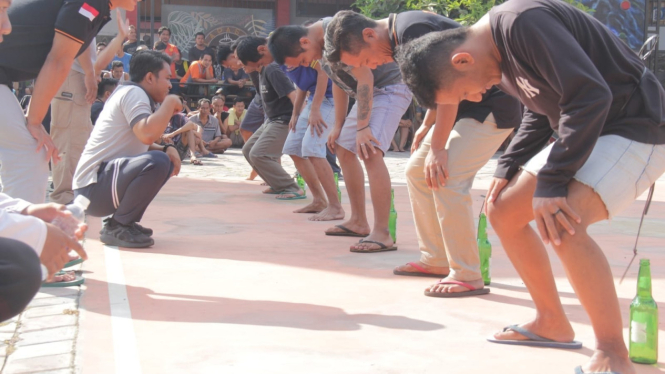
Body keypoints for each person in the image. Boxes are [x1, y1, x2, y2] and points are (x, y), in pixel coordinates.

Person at [396, 0, 665, 372]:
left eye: (462, 95)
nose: (475, 98)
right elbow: (541, 109)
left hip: (635, 125)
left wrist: (552, 182)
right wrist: (506, 167)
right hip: (593, 128)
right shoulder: (499, 56)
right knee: (502, 210)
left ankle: (613, 354)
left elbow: (590, 95)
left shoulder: (522, 23)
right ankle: (551, 322)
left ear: (461, 61)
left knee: (560, 218)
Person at [325, 10, 522, 288]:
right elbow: (438, 88)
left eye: (366, 60)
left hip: (490, 106)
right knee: (418, 171)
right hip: (460, 108)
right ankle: (436, 258)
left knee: (447, 177)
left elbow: (448, 82)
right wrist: (427, 125)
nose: (373, 65)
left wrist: (438, 147)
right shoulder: (399, 34)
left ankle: (467, 273)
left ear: (369, 35)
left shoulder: (412, 29)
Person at [269, 20, 412, 252]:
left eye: (304, 61)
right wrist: (338, 124)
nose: (307, 65)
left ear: (304, 42)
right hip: (367, 92)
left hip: (389, 87)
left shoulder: (336, 33)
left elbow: (365, 78)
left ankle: (382, 233)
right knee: (344, 149)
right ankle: (358, 221)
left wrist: (363, 127)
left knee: (370, 150)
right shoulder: (320, 47)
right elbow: (339, 82)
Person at [0, 0, 137, 204]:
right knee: (31, 153)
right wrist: (35, 122)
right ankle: (19, 229)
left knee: (31, 153)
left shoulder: (96, 7)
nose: (6, 26)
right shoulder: (91, 2)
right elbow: (59, 59)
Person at [73, 50, 183, 248]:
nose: (169, 85)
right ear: (150, 77)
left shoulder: (129, 92)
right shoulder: (135, 93)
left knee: (162, 159)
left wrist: (167, 148)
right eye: (167, 78)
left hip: (96, 186)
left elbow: (140, 139)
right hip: (93, 187)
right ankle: (118, 226)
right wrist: (169, 104)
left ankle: (125, 221)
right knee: (158, 162)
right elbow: (146, 134)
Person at [51, 20, 133, 206]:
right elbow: (77, 38)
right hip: (71, 76)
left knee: (81, 139)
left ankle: (73, 193)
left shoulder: (94, 11)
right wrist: (89, 73)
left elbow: (93, 56)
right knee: (69, 140)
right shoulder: (86, 6)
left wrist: (120, 37)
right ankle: (64, 197)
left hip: (77, 77)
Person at [236, 36, 302, 197]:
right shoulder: (259, 71)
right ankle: (277, 184)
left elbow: (294, 95)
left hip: (284, 120)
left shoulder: (271, 68)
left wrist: (299, 119)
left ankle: (291, 187)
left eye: (243, 62)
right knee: (248, 149)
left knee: (259, 154)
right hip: (271, 120)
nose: (241, 65)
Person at [278, 61, 344, 221]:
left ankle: (336, 207)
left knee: (312, 148)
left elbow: (323, 72)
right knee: (293, 148)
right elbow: (302, 84)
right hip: (312, 102)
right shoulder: (282, 61)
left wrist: (315, 109)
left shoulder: (299, 52)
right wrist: (296, 113)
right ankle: (319, 200)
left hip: (329, 101)